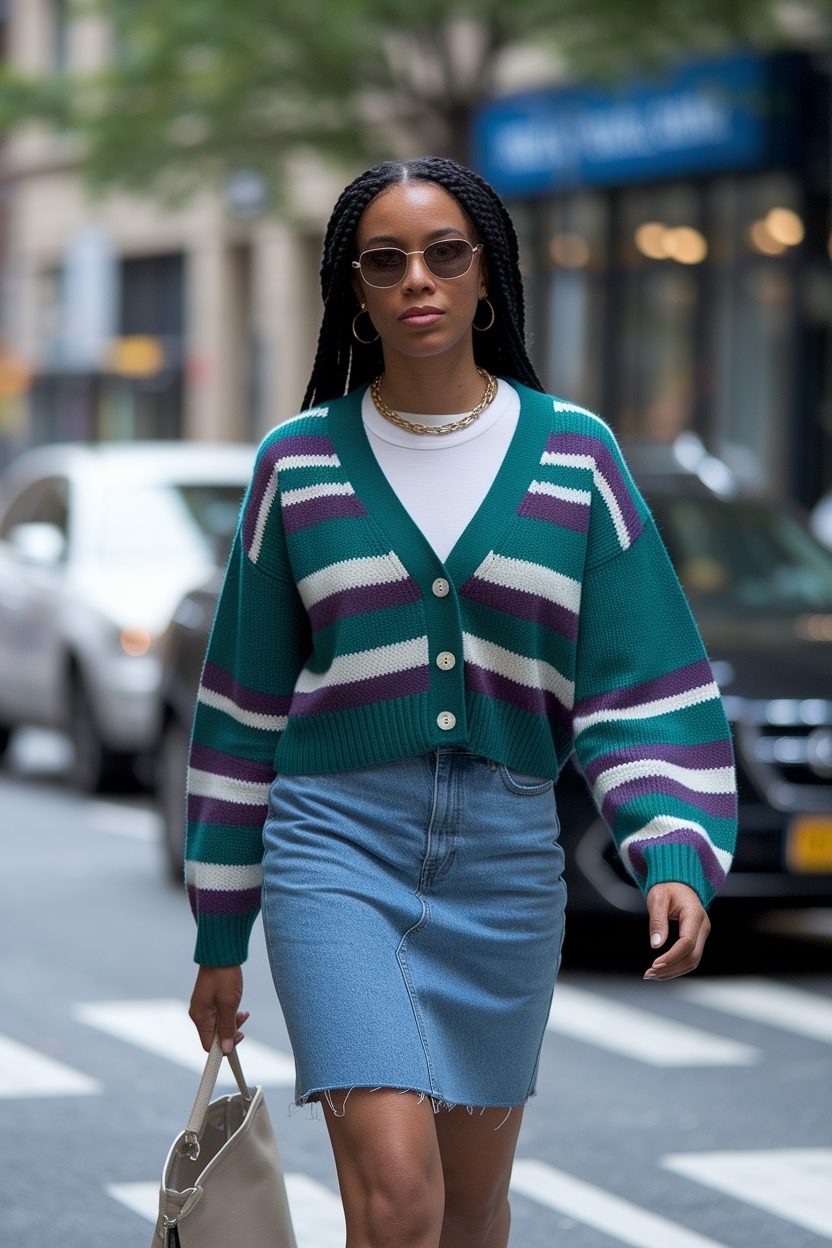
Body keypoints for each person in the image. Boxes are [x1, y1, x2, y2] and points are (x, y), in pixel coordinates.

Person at [187, 157, 737, 1248]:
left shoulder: (576, 458)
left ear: (490, 275)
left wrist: (671, 847)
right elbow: (242, 708)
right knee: (398, 1203)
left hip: (504, 860)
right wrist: (220, 929)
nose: (417, 282)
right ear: (355, 293)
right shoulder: (294, 467)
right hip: (334, 847)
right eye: (383, 262)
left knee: (474, 1209)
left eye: (446, 254)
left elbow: (639, 682)